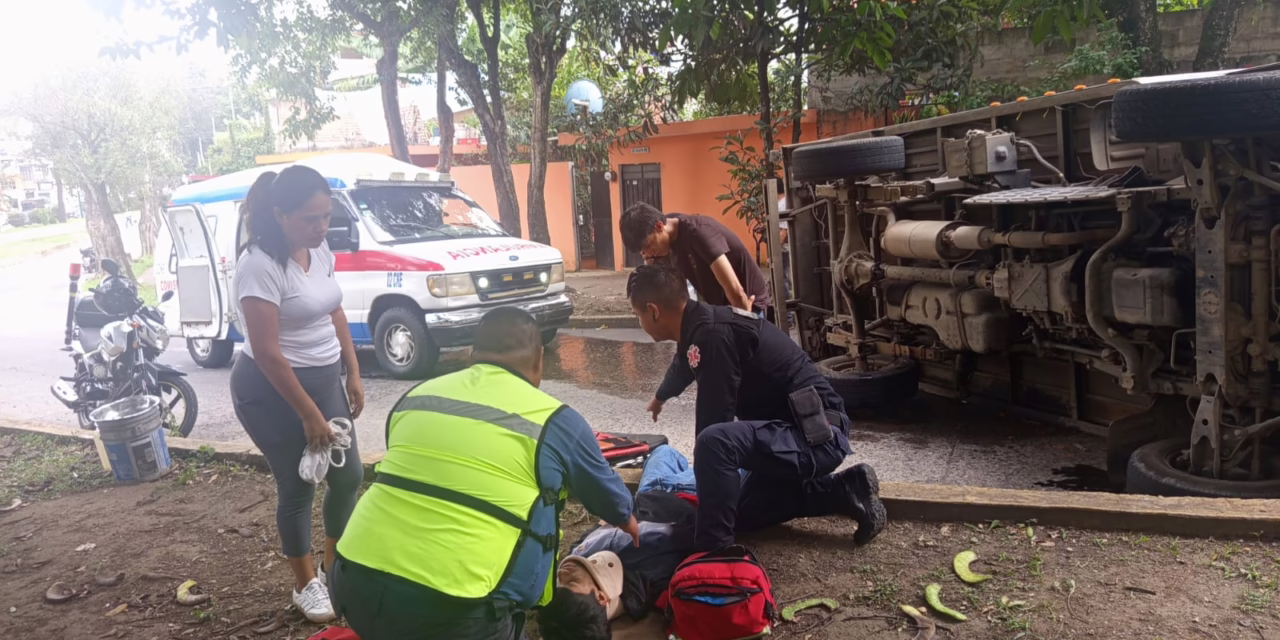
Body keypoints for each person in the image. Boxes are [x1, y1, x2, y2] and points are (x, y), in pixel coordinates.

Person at [331, 307, 640, 640]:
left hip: (353, 586)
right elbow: (614, 503)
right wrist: (630, 524)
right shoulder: (556, 420)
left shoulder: (415, 397)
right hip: (456, 615)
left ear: (471, 354)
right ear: (539, 358)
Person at [627, 265, 886, 552]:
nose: (640, 321)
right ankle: (848, 490)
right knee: (739, 512)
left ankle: (714, 554)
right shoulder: (699, 326)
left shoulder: (711, 334)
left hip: (816, 436)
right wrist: (661, 397)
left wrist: (709, 498)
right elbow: (685, 363)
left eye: (638, 315)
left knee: (714, 444)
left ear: (653, 310)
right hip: (788, 434)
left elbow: (714, 426)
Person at [229, 166, 365, 622]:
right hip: (270, 390)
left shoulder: (318, 248)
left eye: (326, 216)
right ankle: (306, 584)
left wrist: (353, 370)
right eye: (311, 218)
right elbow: (267, 353)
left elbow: (335, 309)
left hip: (324, 378)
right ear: (279, 214)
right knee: (299, 483)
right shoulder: (259, 265)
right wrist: (309, 415)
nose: (322, 227)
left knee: (348, 476)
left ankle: (335, 563)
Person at [538, 445, 699, 640]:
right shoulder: (645, 586)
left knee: (664, 451)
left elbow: (589, 538)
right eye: (571, 582)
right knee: (717, 449)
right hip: (689, 495)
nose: (561, 573)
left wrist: (604, 521)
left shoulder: (576, 566)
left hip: (645, 492)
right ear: (601, 597)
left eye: (557, 583)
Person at [619, 202, 770, 316]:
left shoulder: (699, 233)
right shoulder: (666, 237)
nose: (648, 254)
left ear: (659, 227)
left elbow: (736, 292)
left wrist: (747, 323)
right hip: (720, 306)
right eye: (643, 251)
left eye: (648, 245)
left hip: (748, 305)